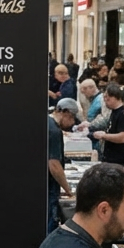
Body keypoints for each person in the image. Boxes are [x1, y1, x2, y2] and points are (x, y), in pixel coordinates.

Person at [82, 83, 124, 165]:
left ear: (114, 97)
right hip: (110, 157)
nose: (105, 102)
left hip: (118, 159)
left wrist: (104, 136)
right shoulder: (113, 112)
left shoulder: (123, 114)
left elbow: (123, 137)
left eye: (107, 99)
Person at [48, 99, 77, 233]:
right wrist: (68, 189)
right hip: (49, 188)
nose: (72, 123)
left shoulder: (47, 123)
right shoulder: (54, 130)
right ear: (65, 113)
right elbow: (54, 164)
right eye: (71, 118)